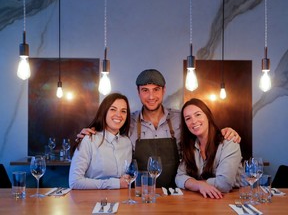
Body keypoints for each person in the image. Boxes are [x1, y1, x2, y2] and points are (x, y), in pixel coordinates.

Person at [76, 69, 241, 188]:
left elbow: (203, 129)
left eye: (156, 90)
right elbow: (109, 127)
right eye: (145, 91)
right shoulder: (128, 121)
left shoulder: (180, 118)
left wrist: (226, 131)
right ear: (138, 92)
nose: (151, 96)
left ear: (164, 90)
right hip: (140, 192)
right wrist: (91, 131)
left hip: (176, 191)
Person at [175, 98, 242, 199]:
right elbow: (179, 177)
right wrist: (199, 185)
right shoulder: (189, 147)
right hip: (204, 199)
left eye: (198, 114)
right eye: (188, 118)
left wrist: (193, 183)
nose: (193, 121)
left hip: (233, 199)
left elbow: (224, 184)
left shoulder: (229, 142)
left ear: (208, 116)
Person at [69, 93, 132, 189]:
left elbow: (125, 176)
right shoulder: (89, 139)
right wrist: (115, 183)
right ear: (104, 112)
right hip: (91, 201)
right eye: (113, 109)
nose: (119, 115)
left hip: (121, 200)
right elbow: (75, 181)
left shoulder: (127, 143)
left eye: (123, 111)